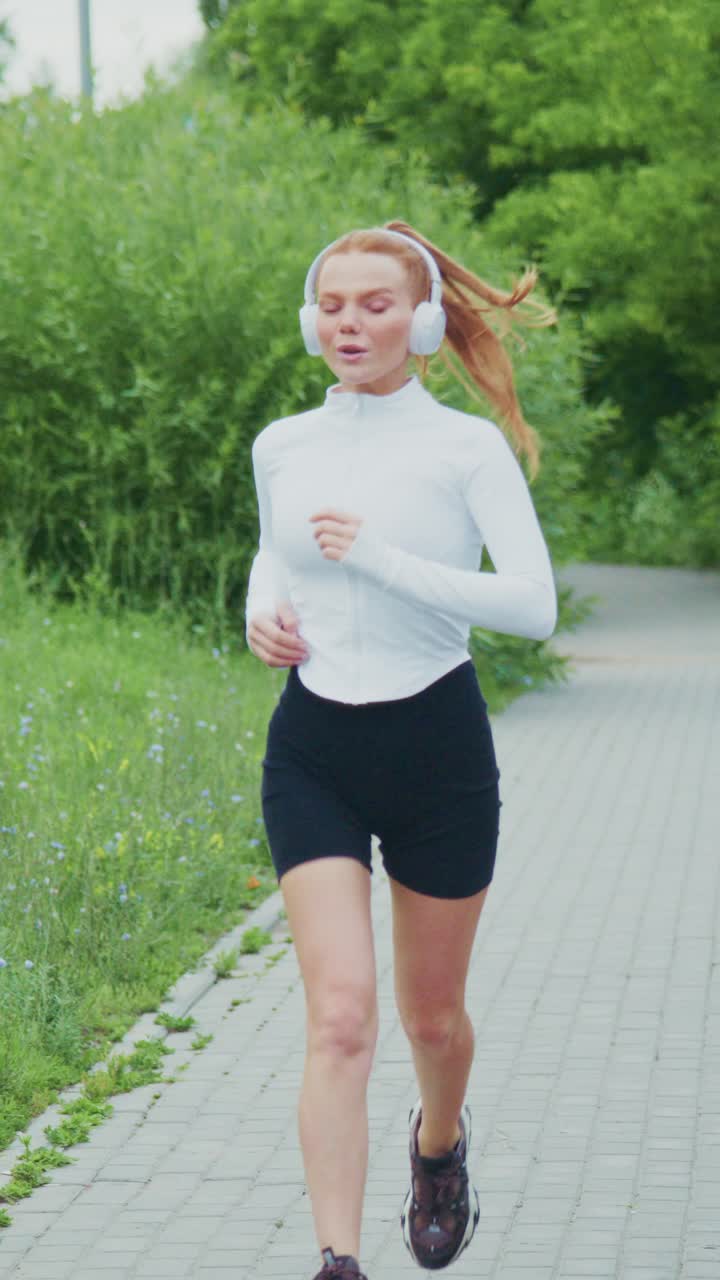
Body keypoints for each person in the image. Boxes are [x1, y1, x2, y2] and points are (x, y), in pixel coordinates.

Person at [245, 221, 557, 1280]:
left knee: (431, 1015)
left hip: (437, 744)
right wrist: (262, 614)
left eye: (375, 302)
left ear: (421, 321)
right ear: (309, 319)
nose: (350, 321)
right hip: (315, 745)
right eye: (333, 303)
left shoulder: (463, 448)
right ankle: (337, 1258)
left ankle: (439, 1143)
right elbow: (270, 552)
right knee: (339, 1015)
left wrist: (378, 561)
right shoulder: (283, 442)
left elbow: (533, 605)